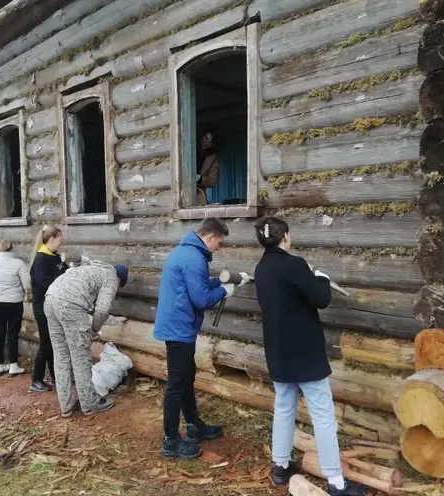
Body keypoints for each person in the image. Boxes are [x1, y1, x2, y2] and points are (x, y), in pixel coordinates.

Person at [253, 217, 368, 495]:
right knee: (323, 415)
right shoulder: (294, 264)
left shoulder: (261, 268)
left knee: (283, 408)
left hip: (278, 351)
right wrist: (323, 279)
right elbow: (320, 298)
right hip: (304, 353)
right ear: (286, 237)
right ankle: (336, 481)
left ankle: (281, 466)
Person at [153, 218, 243, 459]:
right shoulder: (194, 258)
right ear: (210, 237)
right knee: (176, 384)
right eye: (219, 243)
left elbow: (197, 285)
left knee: (186, 377)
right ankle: (171, 440)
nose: (219, 247)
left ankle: (194, 425)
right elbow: (201, 299)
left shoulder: (187, 252)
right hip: (178, 328)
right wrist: (225, 291)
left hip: (179, 325)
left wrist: (222, 281)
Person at [44, 259, 129, 417]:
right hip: (69, 304)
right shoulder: (111, 277)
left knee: (61, 355)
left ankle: (66, 404)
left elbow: (87, 305)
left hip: (50, 299)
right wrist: (94, 329)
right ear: (120, 280)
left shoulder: (90, 269)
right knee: (80, 356)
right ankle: (90, 403)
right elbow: (102, 310)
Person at [28, 225, 68, 392]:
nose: (61, 244)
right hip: (42, 307)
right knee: (46, 344)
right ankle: (36, 379)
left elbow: (63, 272)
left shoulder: (54, 257)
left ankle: (55, 376)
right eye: (60, 240)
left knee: (53, 343)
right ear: (51, 239)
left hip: (53, 307)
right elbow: (45, 284)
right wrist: (62, 273)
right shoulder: (41, 259)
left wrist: (66, 267)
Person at [0, 239, 30, 377]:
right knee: (12, 334)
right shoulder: (18, 263)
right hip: (14, 302)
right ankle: (13, 365)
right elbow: (27, 284)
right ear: (12, 247)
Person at [195, 131, 219, 206]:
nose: (206, 143)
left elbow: (213, 181)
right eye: (205, 138)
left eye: (210, 142)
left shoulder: (212, 158)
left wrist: (200, 178)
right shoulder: (189, 146)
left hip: (198, 194)